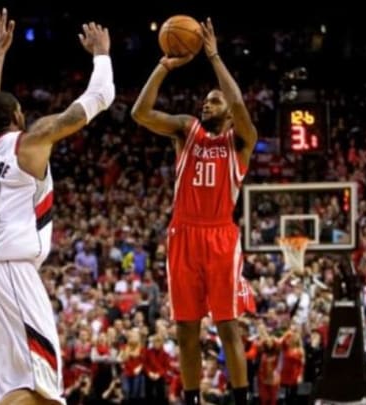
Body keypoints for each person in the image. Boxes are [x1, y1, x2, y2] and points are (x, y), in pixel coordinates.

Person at [0, 9, 114, 405]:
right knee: (37, 388)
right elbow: (99, 98)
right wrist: (102, 55)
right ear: (19, 116)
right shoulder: (30, 141)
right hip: (9, 272)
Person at [131, 17, 257, 405]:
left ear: (229, 113)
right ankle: (191, 399)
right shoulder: (187, 130)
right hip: (183, 233)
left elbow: (237, 101)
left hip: (220, 234)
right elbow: (140, 112)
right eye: (206, 99)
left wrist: (214, 56)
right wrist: (163, 67)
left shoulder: (240, 141)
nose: (207, 102)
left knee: (227, 326)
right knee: (186, 329)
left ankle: (240, 399)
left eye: (214, 100)